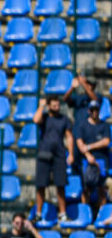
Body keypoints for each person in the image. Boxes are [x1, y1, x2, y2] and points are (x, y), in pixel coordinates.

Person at [34, 96, 74, 224]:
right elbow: (35, 120)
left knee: (60, 185)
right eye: (54, 105)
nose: (57, 108)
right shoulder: (44, 117)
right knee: (41, 185)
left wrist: (71, 153)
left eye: (58, 105)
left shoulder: (64, 119)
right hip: (44, 154)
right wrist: (41, 106)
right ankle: (38, 214)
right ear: (49, 106)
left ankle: (62, 213)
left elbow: (69, 137)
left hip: (59, 155)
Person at [75, 100, 110, 218]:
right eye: (93, 110)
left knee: (102, 188)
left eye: (97, 110)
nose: (95, 112)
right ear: (89, 111)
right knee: (86, 188)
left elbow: (106, 141)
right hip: (86, 161)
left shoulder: (104, 125)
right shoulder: (82, 125)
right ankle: (86, 214)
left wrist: (89, 147)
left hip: (101, 160)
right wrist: (88, 155)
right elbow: (79, 143)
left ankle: (102, 214)